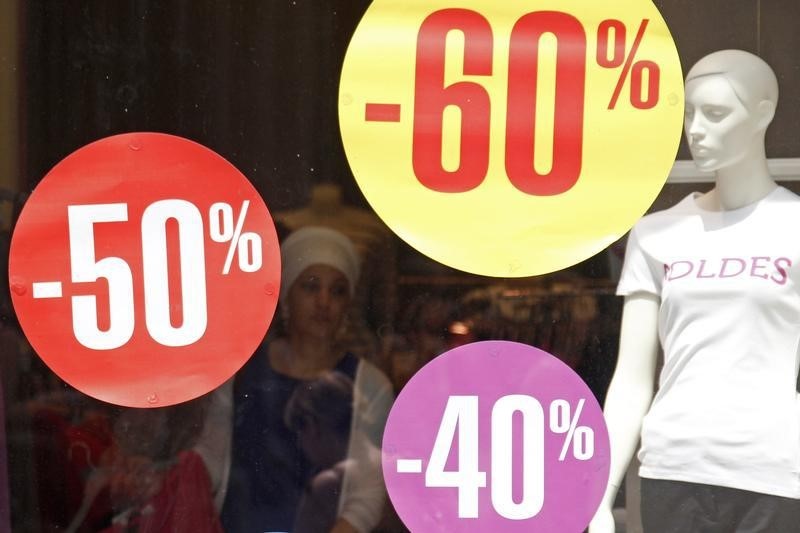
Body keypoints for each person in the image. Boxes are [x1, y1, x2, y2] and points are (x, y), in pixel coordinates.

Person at [590, 50, 800, 532]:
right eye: (689, 113)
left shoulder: (794, 227)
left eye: (716, 113)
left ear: (763, 113)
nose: (696, 129)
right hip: (671, 468)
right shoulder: (657, 233)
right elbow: (631, 378)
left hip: (771, 471)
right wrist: (600, 494)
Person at [220, 226, 394, 533]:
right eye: (311, 286)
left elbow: (367, 496)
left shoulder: (370, 386)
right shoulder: (239, 372)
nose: (324, 301)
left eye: (337, 290)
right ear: (286, 297)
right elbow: (210, 460)